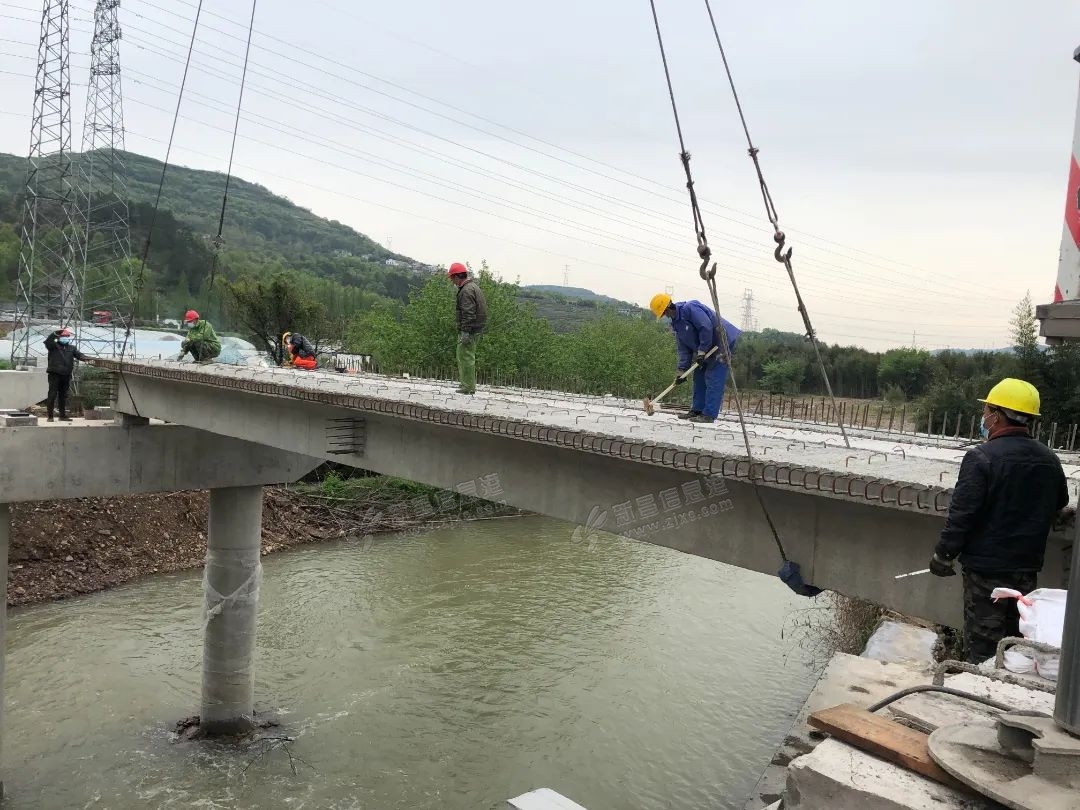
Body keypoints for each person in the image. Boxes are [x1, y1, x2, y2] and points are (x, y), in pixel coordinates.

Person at [930, 378, 1070, 664]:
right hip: (1026, 569)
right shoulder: (1049, 459)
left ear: (997, 415)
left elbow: (962, 515)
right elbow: (1060, 503)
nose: (984, 417)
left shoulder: (981, 458)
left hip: (985, 573)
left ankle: (981, 687)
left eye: (987, 411)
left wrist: (943, 555)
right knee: (1016, 646)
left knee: (983, 649)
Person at [649, 293, 741, 423]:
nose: (666, 316)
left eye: (665, 313)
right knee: (699, 375)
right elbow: (683, 348)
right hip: (706, 347)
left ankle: (709, 414)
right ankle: (697, 410)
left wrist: (702, 351)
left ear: (668, 307)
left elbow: (706, 327)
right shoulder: (677, 324)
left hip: (721, 341)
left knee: (714, 376)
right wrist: (682, 371)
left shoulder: (690, 308)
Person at [449, 262, 486, 395]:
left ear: (457, 276)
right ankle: (466, 384)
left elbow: (468, 313)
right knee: (464, 355)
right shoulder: (473, 287)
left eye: (452, 278)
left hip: (470, 330)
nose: (452, 281)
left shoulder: (466, 290)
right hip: (475, 329)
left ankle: (468, 387)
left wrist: (465, 331)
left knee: (465, 357)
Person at [43, 327, 90, 422]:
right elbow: (48, 341)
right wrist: (55, 333)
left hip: (66, 374)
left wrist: (86, 358)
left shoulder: (71, 348)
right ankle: (50, 416)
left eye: (67, 337)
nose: (65, 338)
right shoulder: (53, 346)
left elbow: (79, 355)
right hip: (54, 374)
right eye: (63, 336)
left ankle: (62, 416)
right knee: (52, 394)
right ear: (58, 338)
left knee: (63, 395)